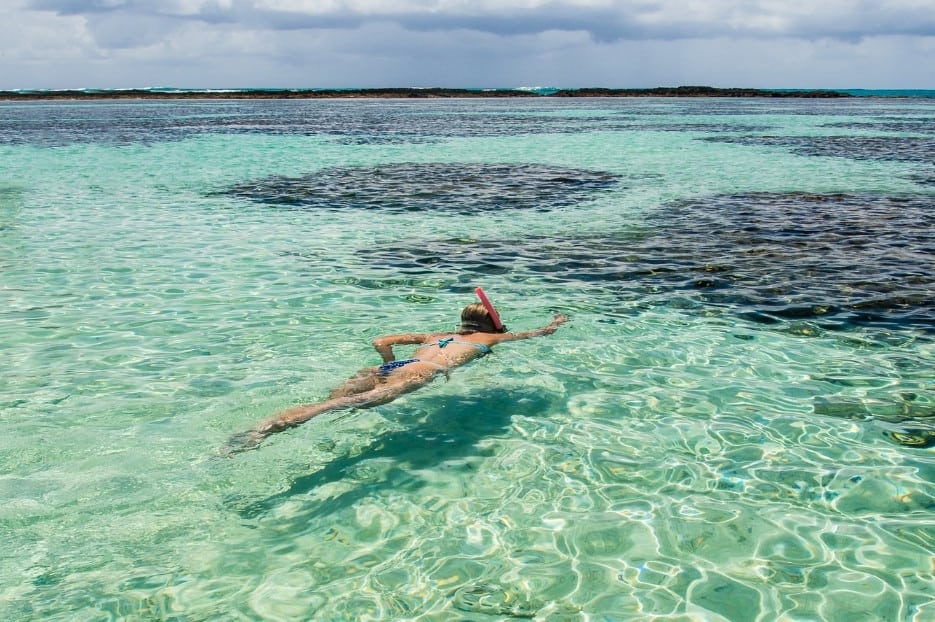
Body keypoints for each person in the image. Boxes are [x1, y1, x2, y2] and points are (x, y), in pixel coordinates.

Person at [226, 301, 568, 453]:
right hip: (421, 373)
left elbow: (381, 341)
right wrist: (555, 323)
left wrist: (391, 364)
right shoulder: (490, 338)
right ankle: (266, 430)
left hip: (389, 367)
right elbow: (537, 334)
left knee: (335, 399)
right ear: (491, 324)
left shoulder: (434, 335)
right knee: (348, 404)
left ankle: (270, 424)